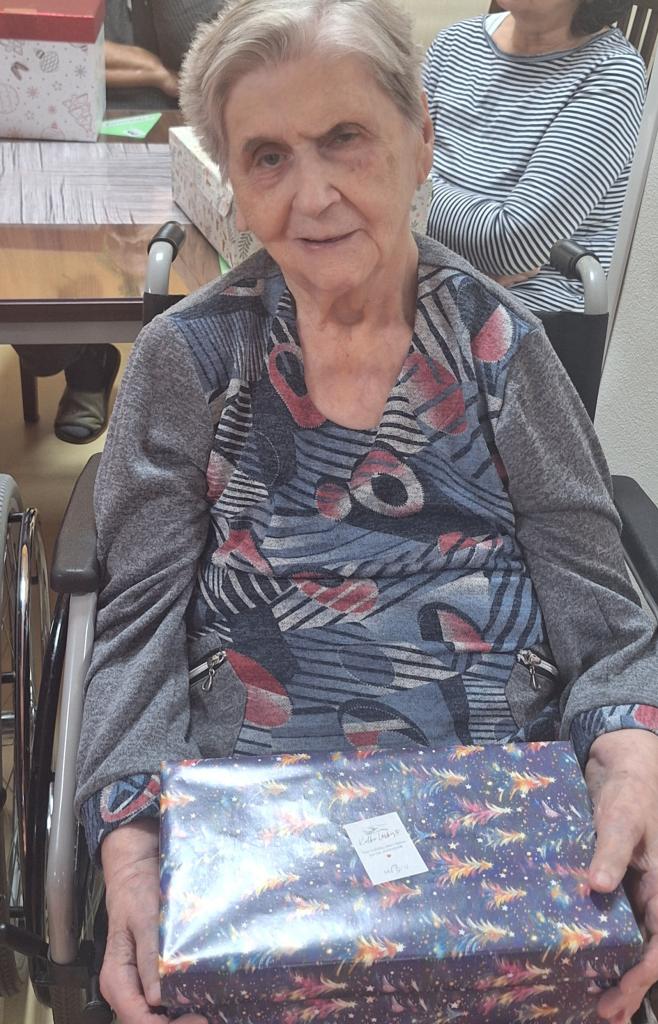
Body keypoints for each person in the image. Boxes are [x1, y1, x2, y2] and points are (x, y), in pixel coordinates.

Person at [74, 1, 658, 1022]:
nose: (314, 196)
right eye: (267, 157)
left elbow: (601, 604)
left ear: (421, 138)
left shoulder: (499, 345)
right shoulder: (190, 358)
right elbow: (137, 621)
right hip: (255, 844)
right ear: (233, 182)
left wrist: (632, 755)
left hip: (506, 842)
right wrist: (127, 840)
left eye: (345, 137)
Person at [12, 0, 224, 444]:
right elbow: (39, 48)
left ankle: (167, 397)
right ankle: (89, 358)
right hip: (60, 127)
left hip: (178, 133)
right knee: (35, 303)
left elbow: (205, 58)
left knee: (189, 273)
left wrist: (159, 72)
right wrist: (155, 72)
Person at [422, 0, 646, 313]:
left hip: (525, 310)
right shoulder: (454, 43)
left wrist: (412, 203)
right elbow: (381, 180)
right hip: (423, 274)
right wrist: (468, 258)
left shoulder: (613, 75)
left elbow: (511, 244)